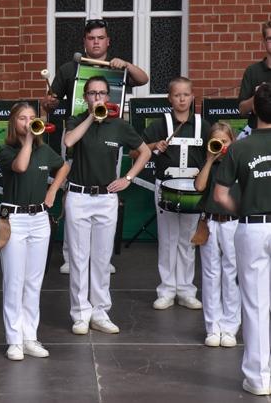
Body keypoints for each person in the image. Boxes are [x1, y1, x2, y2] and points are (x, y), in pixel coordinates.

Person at [44, 18, 148, 275]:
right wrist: (49, 103)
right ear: (84, 41)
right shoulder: (70, 68)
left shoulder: (116, 67)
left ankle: (102, 257)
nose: (96, 42)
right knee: (71, 188)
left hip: (109, 131)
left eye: (100, 38)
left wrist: (127, 64)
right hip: (77, 131)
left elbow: (143, 79)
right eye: (91, 38)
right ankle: (70, 255)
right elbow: (51, 100)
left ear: (108, 41)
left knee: (106, 183)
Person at [64, 76, 151, 335]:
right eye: (92, 93)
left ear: (108, 96)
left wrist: (128, 178)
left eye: (102, 93)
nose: (98, 97)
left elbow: (145, 152)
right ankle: (80, 313)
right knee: (79, 259)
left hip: (106, 198)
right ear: (85, 97)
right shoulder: (76, 120)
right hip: (79, 196)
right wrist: (92, 117)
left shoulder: (119, 125)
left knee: (102, 259)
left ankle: (100, 312)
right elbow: (69, 142)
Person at [0, 102, 69, 361]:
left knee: (33, 282)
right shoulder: (6, 150)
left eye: (32, 118)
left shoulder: (44, 150)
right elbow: (20, 167)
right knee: (14, 281)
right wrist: (28, 139)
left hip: (39, 218)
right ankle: (14, 340)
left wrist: (53, 191)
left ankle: (30, 337)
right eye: (22, 118)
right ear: (13, 123)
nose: (28, 123)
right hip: (13, 218)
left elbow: (64, 166)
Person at [214, 83, 271, 396]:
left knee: (255, 304)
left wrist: (243, 209)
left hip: (253, 226)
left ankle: (258, 378)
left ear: (254, 110)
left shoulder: (240, 147)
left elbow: (220, 195)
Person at [142, 76, 210, 311]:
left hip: (193, 189)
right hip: (166, 187)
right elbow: (137, 151)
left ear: (192, 96)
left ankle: (186, 290)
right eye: (177, 95)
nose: (182, 99)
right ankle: (167, 290)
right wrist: (154, 146)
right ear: (169, 98)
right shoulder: (160, 124)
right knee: (168, 239)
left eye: (186, 95)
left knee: (188, 240)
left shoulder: (203, 124)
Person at [193, 121, 240, 348]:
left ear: (232, 142)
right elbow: (199, 187)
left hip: (233, 223)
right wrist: (210, 160)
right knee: (211, 275)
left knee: (231, 274)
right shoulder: (209, 163)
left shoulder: (238, 163)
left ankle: (230, 327)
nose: (221, 146)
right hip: (210, 221)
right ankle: (212, 327)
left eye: (225, 141)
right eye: (216, 141)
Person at [237, 21, 271, 138]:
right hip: (257, 135)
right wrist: (257, 96)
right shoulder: (252, 71)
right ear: (264, 42)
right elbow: (242, 110)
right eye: (270, 38)